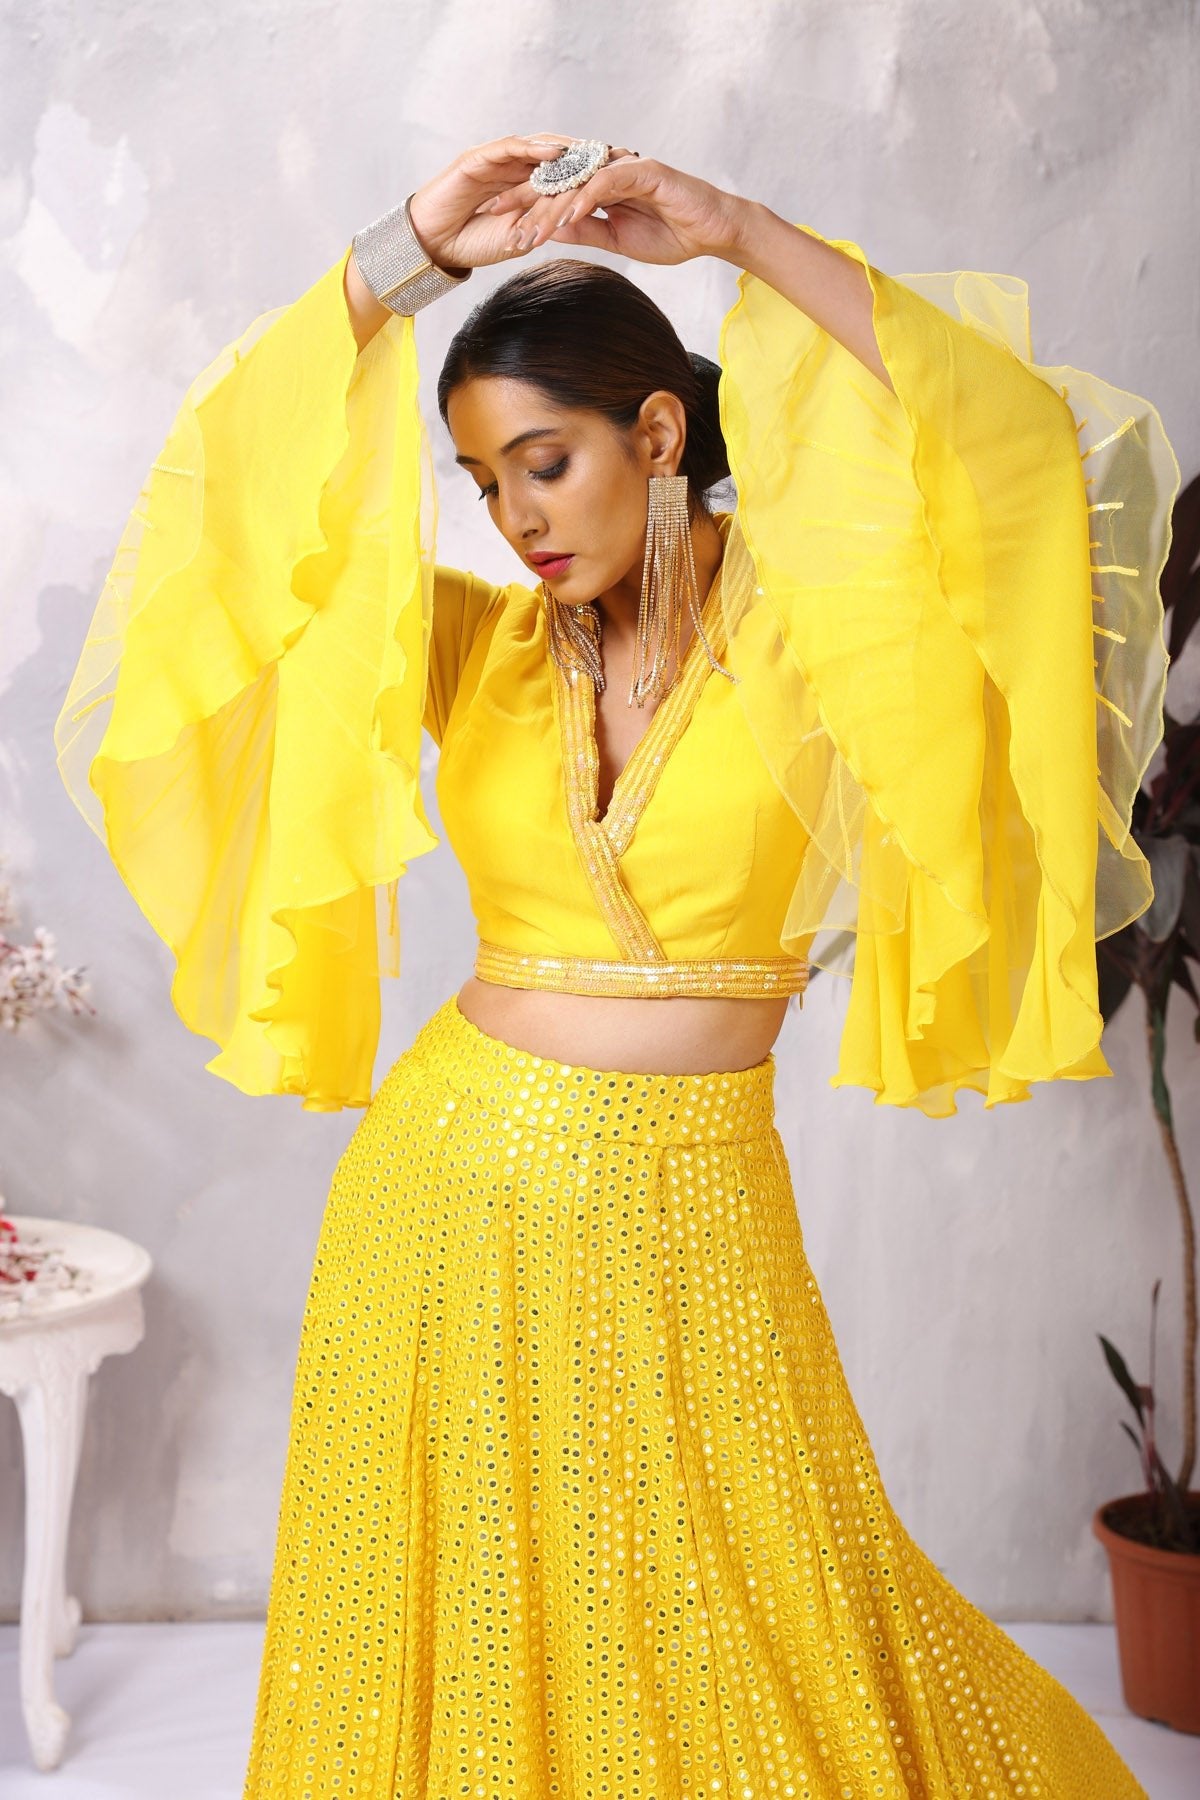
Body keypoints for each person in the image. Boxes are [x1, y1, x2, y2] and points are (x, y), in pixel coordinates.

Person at [55, 131, 1176, 1798]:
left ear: (658, 434)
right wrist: (400, 260)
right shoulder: (475, 645)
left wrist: (739, 232)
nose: (516, 517)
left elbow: (1027, 453)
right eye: (484, 481)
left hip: (696, 1209)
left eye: (545, 461)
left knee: (770, 1617)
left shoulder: (821, 629)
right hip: (439, 1207)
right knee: (477, 1658)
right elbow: (214, 532)